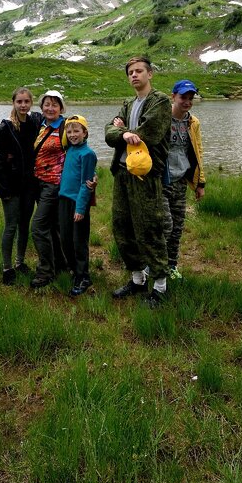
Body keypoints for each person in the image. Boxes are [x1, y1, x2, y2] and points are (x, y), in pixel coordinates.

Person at [105, 56, 172, 306]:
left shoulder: (161, 101)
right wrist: (123, 132)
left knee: (149, 227)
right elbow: (108, 132)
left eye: (139, 71)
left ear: (150, 74)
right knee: (122, 225)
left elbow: (149, 133)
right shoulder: (127, 102)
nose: (134, 75)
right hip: (122, 173)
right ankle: (137, 278)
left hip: (145, 175)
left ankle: (160, 286)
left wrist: (124, 131)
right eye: (130, 72)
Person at [0, 86, 40, 284]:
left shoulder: (35, 122)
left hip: (29, 185)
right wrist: (4, 190)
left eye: (26, 101)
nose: (23, 105)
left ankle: (20, 262)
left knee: (24, 225)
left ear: (31, 103)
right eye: (19, 101)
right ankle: (7, 267)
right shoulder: (5, 127)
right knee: (11, 226)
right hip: (11, 187)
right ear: (13, 102)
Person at [162, 79, 206, 279]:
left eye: (190, 98)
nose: (187, 101)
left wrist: (200, 183)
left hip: (181, 180)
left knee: (178, 226)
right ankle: (154, 263)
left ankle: (171, 266)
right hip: (161, 180)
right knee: (165, 224)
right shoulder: (162, 117)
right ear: (173, 97)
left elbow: (198, 152)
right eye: (183, 97)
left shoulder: (193, 123)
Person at [29, 90, 69, 288]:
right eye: (47, 104)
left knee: (38, 227)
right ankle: (61, 264)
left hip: (54, 185)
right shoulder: (41, 125)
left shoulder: (66, 127)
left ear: (61, 108)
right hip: (39, 183)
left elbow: (79, 150)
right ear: (41, 107)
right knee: (53, 226)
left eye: (55, 104)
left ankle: (45, 272)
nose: (50, 108)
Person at [58, 115, 98, 296]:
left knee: (78, 242)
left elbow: (86, 183)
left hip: (77, 203)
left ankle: (84, 276)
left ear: (85, 133)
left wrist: (81, 209)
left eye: (76, 131)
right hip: (64, 200)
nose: (73, 134)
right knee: (66, 240)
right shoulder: (69, 150)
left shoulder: (88, 154)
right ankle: (75, 271)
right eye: (69, 131)